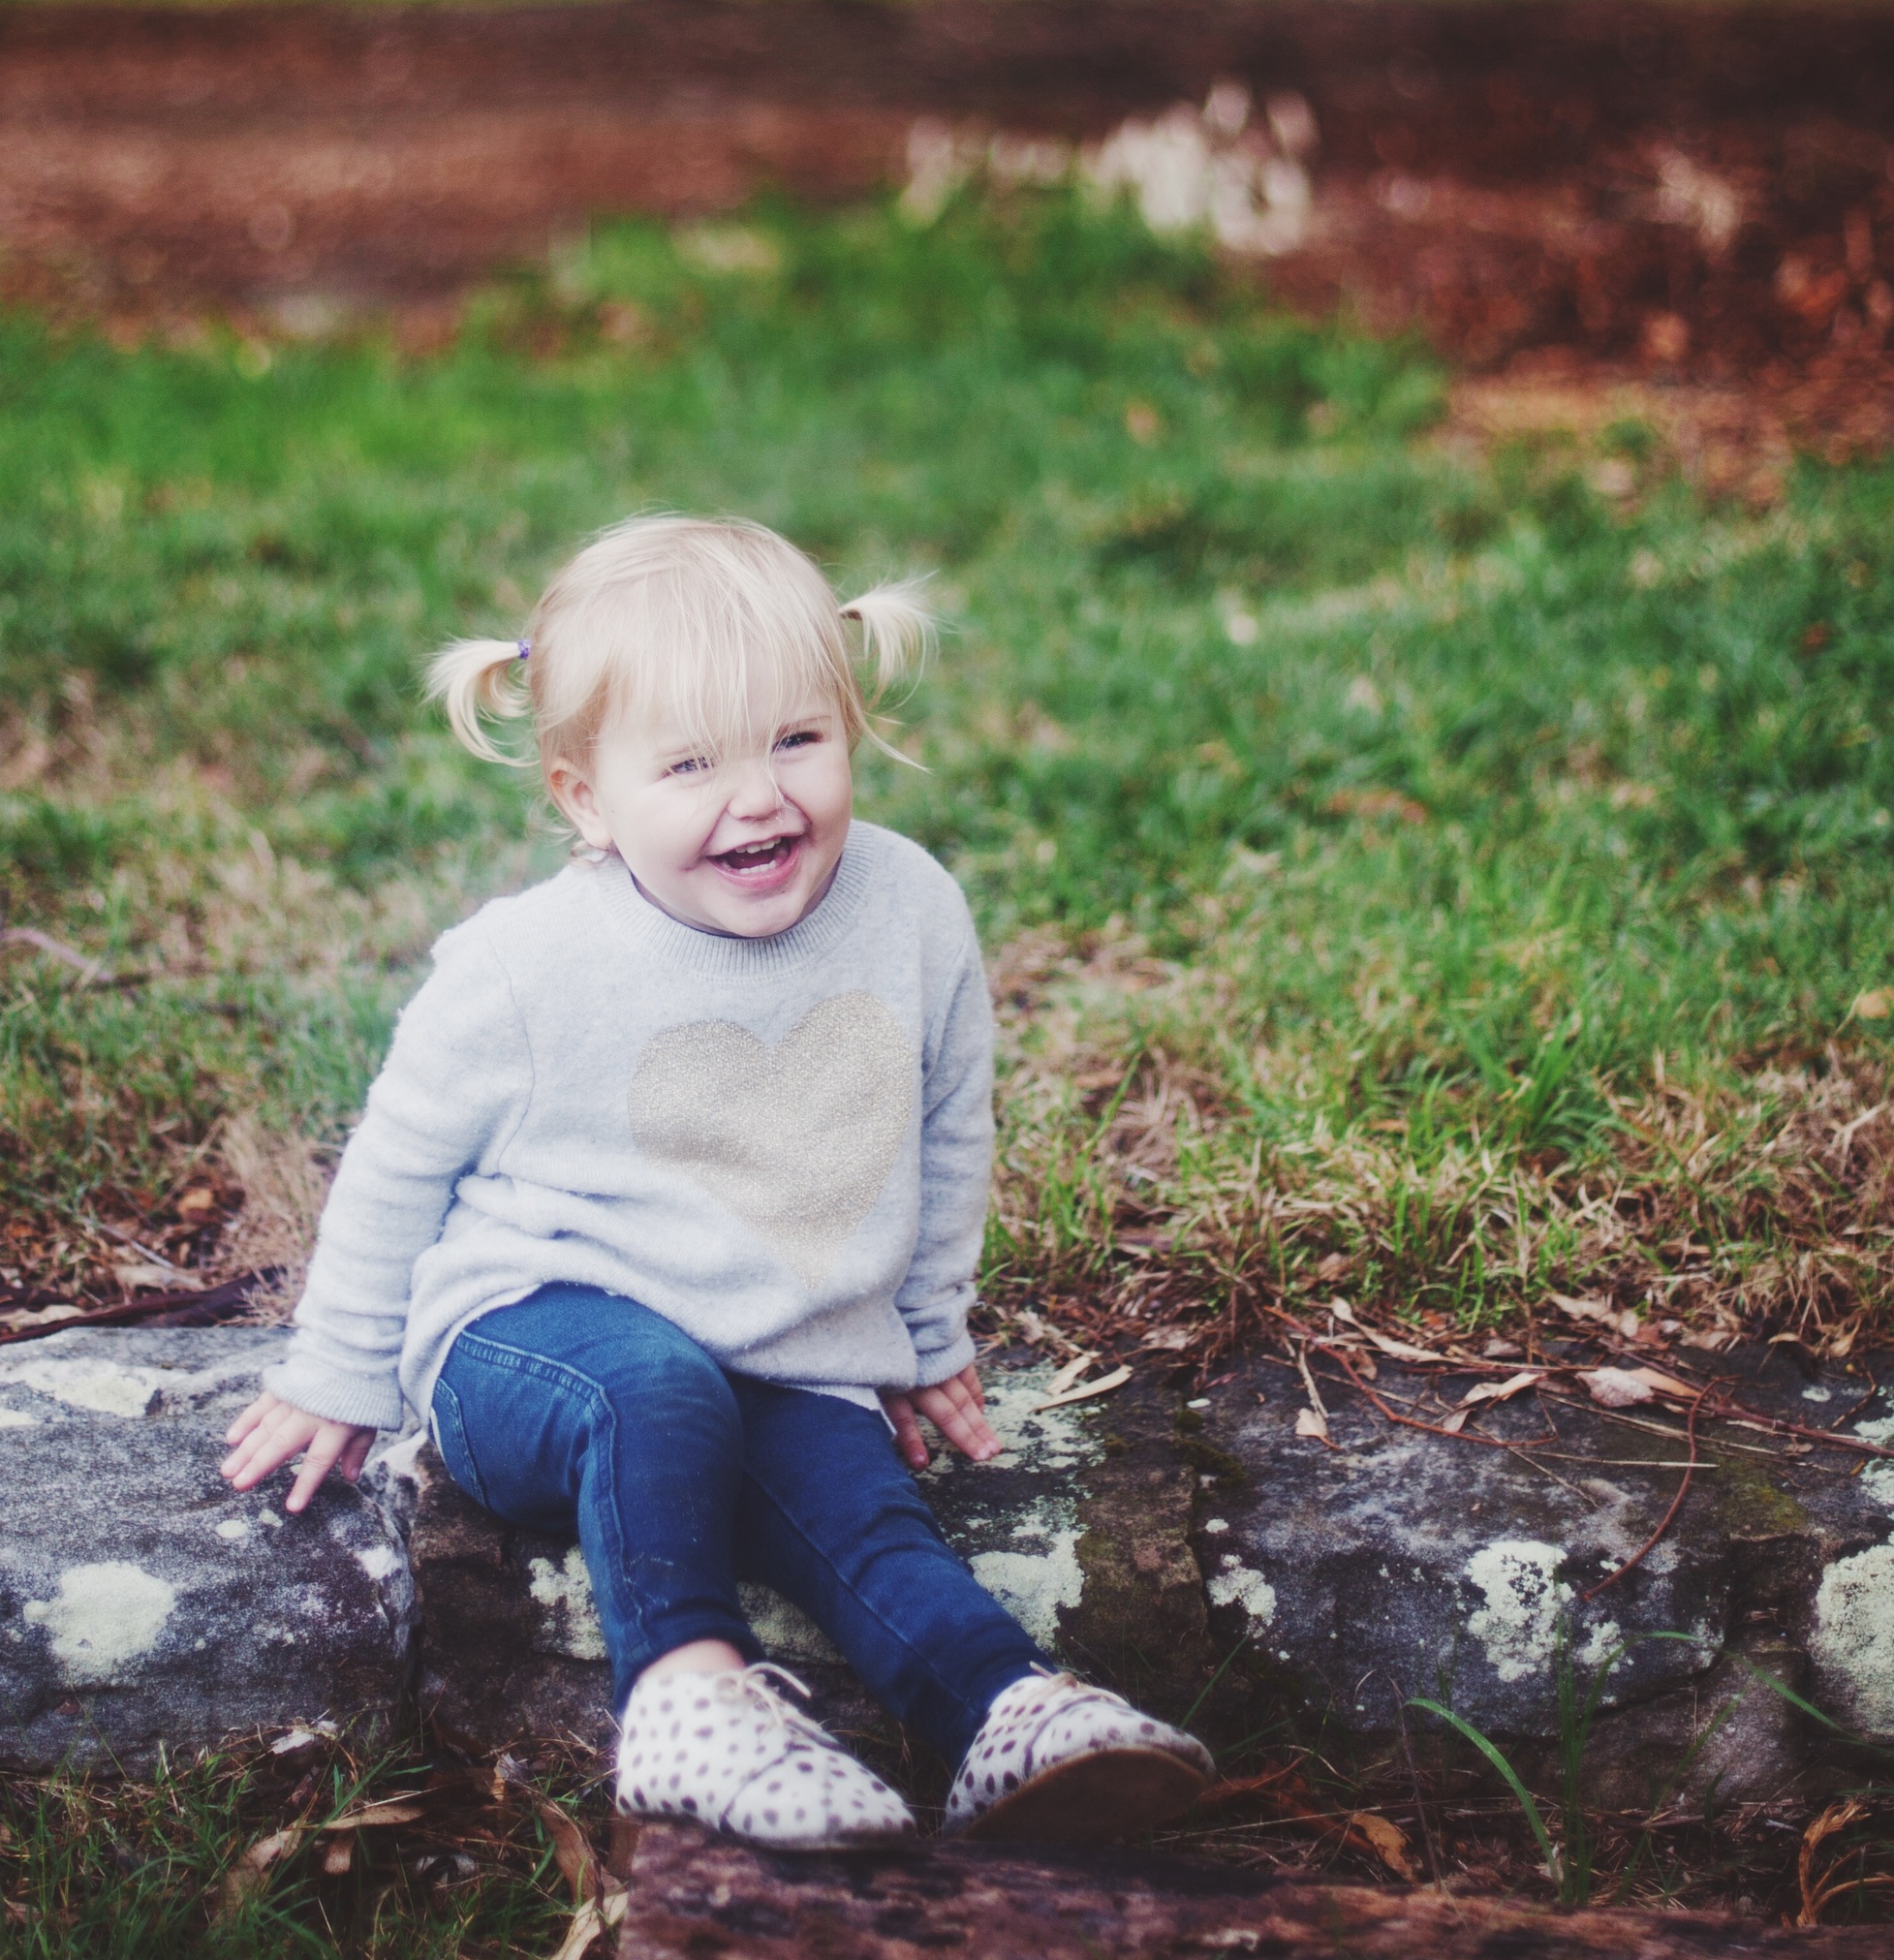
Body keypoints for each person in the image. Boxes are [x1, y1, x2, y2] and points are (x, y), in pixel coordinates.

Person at [221, 512, 1211, 1851]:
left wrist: (922, 1334)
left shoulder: (912, 909)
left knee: (864, 1510)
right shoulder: (527, 963)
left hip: (785, 1346)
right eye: (690, 763)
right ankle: (689, 1700)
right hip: (536, 1337)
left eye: (798, 739)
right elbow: (401, 1156)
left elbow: (943, 1130)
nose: (760, 797)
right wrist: (336, 1364)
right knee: (654, 1388)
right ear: (585, 794)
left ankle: (1006, 1712)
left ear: (852, 721)